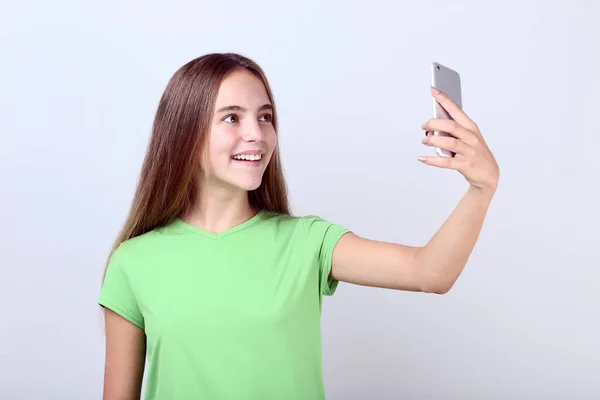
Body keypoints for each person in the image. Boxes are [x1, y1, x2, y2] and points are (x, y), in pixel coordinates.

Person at [98, 52, 499, 400]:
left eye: (265, 117)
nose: (256, 135)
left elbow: (430, 272)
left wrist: (482, 189)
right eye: (232, 118)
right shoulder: (134, 262)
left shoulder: (307, 242)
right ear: (185, 132)